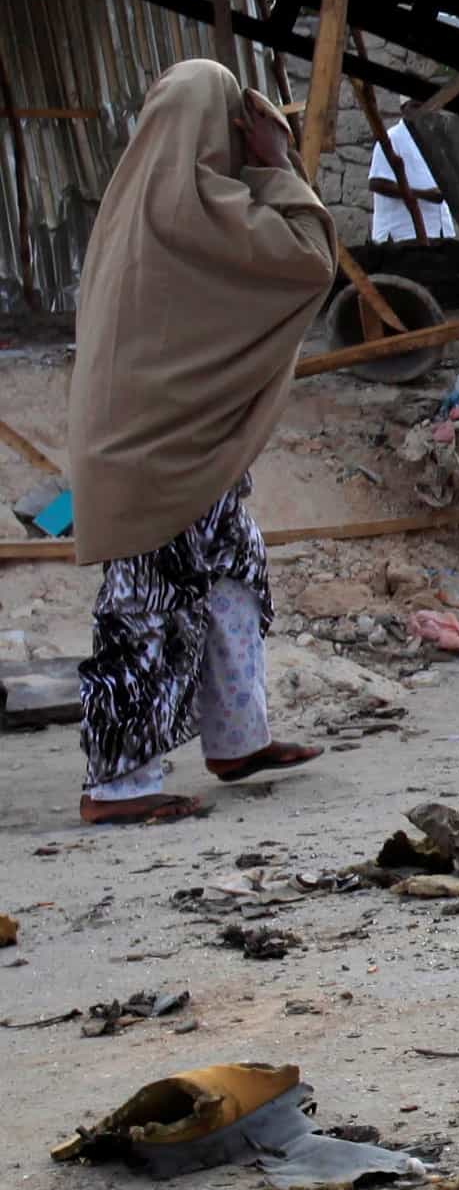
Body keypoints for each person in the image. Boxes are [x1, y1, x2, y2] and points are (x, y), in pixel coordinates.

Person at [67, 60, 340, 824]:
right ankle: (116, 785)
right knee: (146, 609)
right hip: (151, 454)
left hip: (176, 448)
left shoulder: (136, 205)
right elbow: (310, 257)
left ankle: (237, 738)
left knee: (230, 581)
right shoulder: (207, 212)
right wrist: (276, 163)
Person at [367, 118, 454, 242]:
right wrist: (424, 194)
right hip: (403, 233)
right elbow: (377, 184)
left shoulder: (435, 137)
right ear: (403, 108)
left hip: (441, 231)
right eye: (415, 106)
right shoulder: (392, 138)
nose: (420, 111)